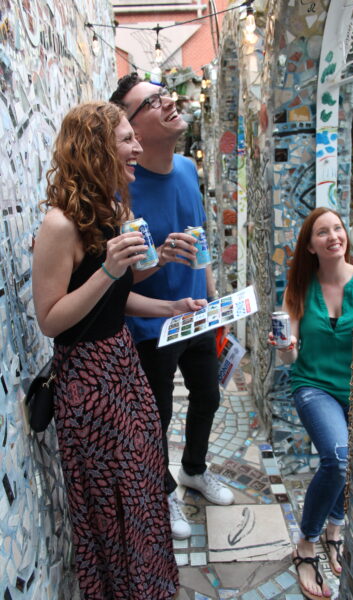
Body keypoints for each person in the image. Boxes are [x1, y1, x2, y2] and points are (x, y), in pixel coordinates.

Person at [32, 101, 208, 599]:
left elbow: (116, 295)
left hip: (123, 364)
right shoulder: (59, 226)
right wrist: (110, 270)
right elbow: (51, 319)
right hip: (88, 382)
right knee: (112, 504)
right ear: (95, 148)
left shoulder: (113, 211)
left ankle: (150, 586)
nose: (136, 147)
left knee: (142, 486)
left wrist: (168, 305)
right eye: (127, 138)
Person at [110, 73, 234, 540]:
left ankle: (194, 471)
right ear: (133, 130)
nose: (169, 103)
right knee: (155, 417)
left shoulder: (186, 168)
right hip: (149, 326)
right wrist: (160, 258)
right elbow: (118, 280)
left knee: (209, 395)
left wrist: (215, 301)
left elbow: (200, 241)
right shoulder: (123, 185)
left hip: (197, 312)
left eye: (166, 95)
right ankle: (163, 492)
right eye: (153, 101)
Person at [269, 207, 353, 600]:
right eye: (322, 232)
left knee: (351, 462)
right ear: (310, 245)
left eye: (337, 228)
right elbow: (289, 359)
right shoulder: (298, 290)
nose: (333, 236)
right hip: (313, 386)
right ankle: (306, 544)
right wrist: (285, 348)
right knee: (337, 457)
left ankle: (334, 528)